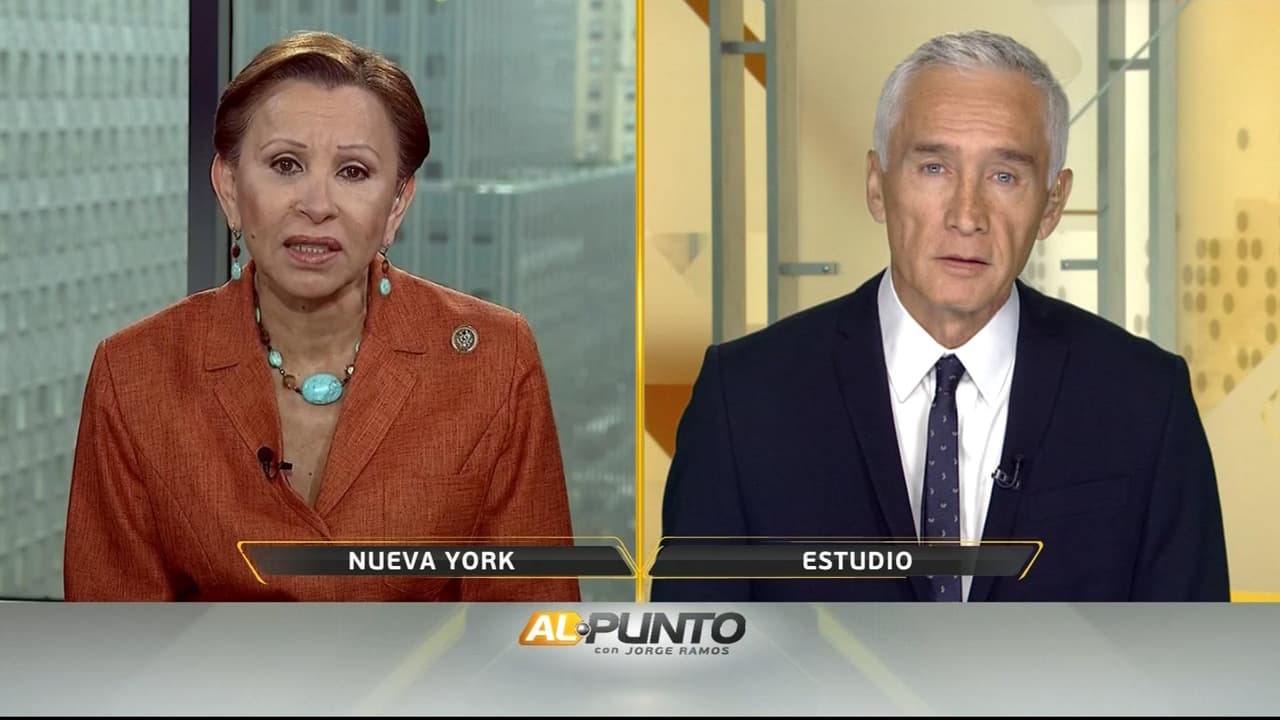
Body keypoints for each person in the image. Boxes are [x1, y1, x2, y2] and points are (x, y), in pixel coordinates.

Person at [652, 30, 1229, 602]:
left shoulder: (1146, 400)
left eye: (1004, 176)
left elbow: (1192, 653)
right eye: (933, 168)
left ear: (1052, 203)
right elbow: (699, 653)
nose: (966, 215)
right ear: (876, 186)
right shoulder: (743, 399)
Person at [64, 31, 580, 602]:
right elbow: (112, 638)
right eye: (285, 164)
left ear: (397, 203)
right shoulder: (134, 374)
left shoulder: (495, 361)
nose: (316, 205)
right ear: (230, 188)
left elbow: (531, 626)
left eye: (353, 172)